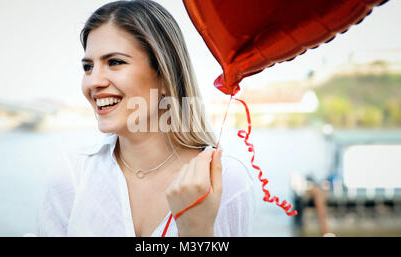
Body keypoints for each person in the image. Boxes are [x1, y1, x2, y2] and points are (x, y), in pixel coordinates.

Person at [37, 0, 256, 237]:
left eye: (115, 62)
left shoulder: (224, 181)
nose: (94, 81)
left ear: (164, 74)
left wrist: (197, 231)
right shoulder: (71, 176)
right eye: (88, 67)